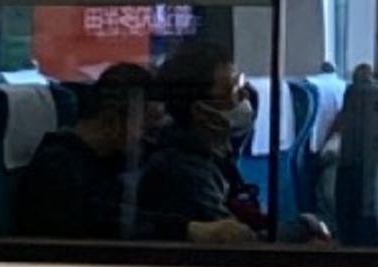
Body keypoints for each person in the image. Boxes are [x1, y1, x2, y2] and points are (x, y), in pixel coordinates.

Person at [138, 41, 329, 245]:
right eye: (233, 92)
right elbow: (238, 242)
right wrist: (306, 226)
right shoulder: (184, 172)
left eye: (242, 86)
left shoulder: (219, 149)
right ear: (202, 110)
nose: (244, 97)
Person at [17, 62, 152, 240]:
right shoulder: (59, 169)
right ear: (115, 120)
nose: (146, 138)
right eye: (145, 127)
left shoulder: (108, 161)